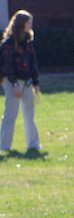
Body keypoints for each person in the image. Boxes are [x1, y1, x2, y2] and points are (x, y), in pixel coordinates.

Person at [0, 10, 40, 154]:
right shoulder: (9, 43)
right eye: (28, 22)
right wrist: (15, 84)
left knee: (29, 114)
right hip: (12, 82)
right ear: (21, 24)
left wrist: (35, 82)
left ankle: (33, 145)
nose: (30, 25)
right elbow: (6, 65)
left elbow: (32, 62)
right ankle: (4, 146)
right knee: (10, 113)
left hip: (27, 81)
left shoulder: (27, 42)